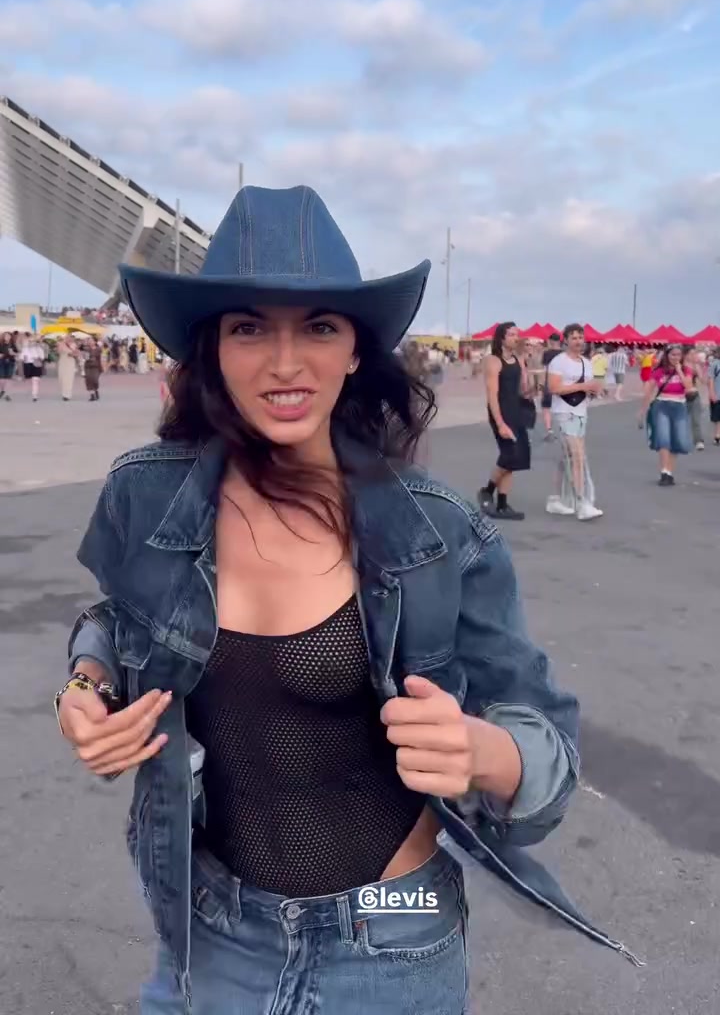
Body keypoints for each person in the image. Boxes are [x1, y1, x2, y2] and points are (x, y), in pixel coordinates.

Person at [53, 185, 630, 1015]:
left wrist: (483, 752)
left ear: (356, 349)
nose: (286, 363)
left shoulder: (439, 530)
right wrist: (86, 684)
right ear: (213, 348)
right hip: (205, 932)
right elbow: (119, 618)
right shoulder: (145, 496)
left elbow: (552, 752)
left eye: (319, 327)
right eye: (250, 328)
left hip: (392, 935)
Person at [545, 324, 603, 521]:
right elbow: (554, 388)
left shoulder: (586, 362)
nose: (578, 341)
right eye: (574, 338)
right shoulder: (558, 362)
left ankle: (555, 499)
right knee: (578, 456)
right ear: (566, 340)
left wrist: (594, 391)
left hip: (581, 412)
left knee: (567, 457)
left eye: (581, 337)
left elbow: (589, 388)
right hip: (563, 412)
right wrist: (582, 386)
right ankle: (582, 502)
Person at [479, 322, 532, 521]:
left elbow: (523, 390)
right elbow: (492, 395)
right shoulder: (493, 361)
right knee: (509, 455)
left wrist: (526, 366)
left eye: (517, 334)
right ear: (501, 338)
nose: (516, 338)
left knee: (515, 460)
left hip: (516, 412)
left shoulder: (518, 359)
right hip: (500, 413)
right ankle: (487, 491)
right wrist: (500, 423)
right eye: (511, 335)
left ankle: (502, 505)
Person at [640, 344, 693, 485]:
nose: (675, 357)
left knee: (678, 440)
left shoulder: (686, 370)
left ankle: (670, 471)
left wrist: (679, 370)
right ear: (667, 355)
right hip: (662, 405)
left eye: (678, 355)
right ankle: (664, 472)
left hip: (679, 406)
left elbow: (688, 387)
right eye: (673, 354)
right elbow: (648, 391)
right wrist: (642, 410)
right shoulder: (659, 371)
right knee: (664, 438)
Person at [540, 332, 562, 437]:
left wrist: (542, 384)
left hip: (549, 382)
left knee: (546, 407)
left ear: (551, 341)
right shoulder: (564, 354)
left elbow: (545, 369)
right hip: (562, 382)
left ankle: (549, 429)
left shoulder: (547, 353)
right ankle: (563, 428)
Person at [683, 346, 705, 451]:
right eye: (691, 354)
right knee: (681, 419)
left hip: (694, 394)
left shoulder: (696, 366)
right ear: (685, 355)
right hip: (681, 395)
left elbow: (702, 380)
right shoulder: (680, 366)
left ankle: (698, 441)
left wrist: (698, 367)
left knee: (696, 420)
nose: (693, 356)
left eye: (694, 353)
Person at [20, 333, 45, 401]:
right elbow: (21, 358)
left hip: (36, 365)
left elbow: (42, 357)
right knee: (29, 380)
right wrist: (24, 358)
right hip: (28, 365)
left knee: (35, 380)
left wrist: (38, 358)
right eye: (30, 341)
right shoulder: (25, 349)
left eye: (33, 341)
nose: (31, 343)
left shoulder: (39, 348)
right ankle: (31, 391)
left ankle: (35, 395)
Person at [57, 335, 79, 401]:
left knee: (69, 379)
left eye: (70, 338)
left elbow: (77, 354)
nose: (68, 339)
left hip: (70, 363)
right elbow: (58, 352)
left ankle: (67, 395)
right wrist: (60, 345)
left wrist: (73, 354)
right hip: (62, 362)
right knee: (61, 378)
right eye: (67, 338)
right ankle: (64, 393)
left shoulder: (74, 345)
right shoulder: (61, 344)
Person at [709, 346, 720, 446]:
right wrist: (712, 393)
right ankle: (717, 435)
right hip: (718, 394)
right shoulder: (715, 364)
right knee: (717, 417)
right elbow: (711, 379)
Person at [0, 330, 15, 400]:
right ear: (3, 337)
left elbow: (18, 353)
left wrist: (13, 353)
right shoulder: (0, 344)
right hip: (1, 362)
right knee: (2, 379)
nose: (7, 337)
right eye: (6, 336)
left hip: (10, 362)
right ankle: (3, 391)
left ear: (11, 337)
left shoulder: (13, 345)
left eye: (9, 336)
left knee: (8, 378)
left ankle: (7, 394)